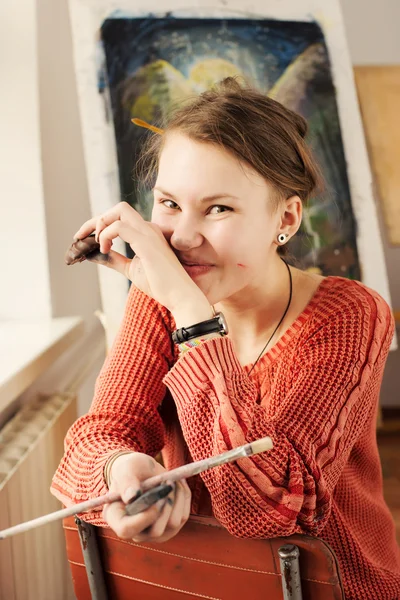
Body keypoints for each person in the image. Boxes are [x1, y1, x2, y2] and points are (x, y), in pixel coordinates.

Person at [51, 78, 400, 599]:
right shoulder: (157, 300)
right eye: (168, 203)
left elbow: (275, 507)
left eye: (218, 209)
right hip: (200, 582)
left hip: (330, 586)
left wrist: (193, 316)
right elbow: (94, 438)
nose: (184, 237)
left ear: (285, 217)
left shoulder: (351, 314)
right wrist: (122, 469)